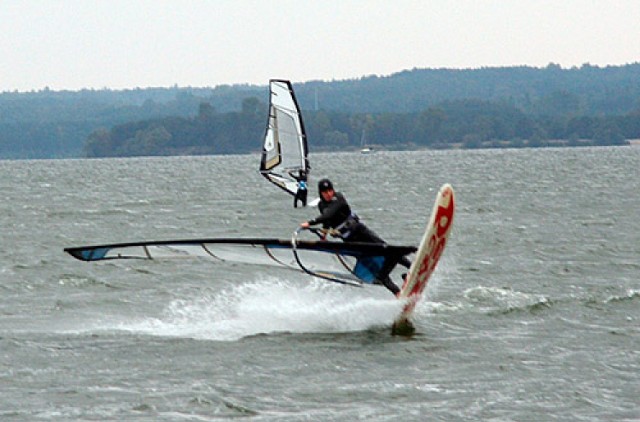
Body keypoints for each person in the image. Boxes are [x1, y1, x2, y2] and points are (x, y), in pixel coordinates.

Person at [300, 178, 411, 296]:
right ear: (320, 193)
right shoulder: (321, 205)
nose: (328, 194)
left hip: (361, 232)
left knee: (386, 249)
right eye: (325, 192)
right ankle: (398, 293)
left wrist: (310, 222)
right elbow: (327, 220)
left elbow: (329, 214)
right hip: (349, 240)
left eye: (330, 191)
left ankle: (412, 268)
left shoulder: (338, 198)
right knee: (373, 267)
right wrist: (324, 235)